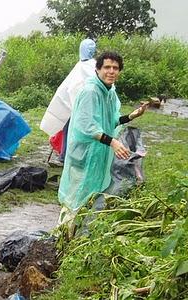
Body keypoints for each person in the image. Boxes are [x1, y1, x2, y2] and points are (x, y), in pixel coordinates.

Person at [57, 51, 147, 220]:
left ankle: (81, 232)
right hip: (85, 152)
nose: (111, 71)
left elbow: (110, 121)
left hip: (99, 151)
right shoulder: (91, 91)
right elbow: (86, 126)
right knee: (76, 194)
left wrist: (131, 116)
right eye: (107, 67)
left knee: (93, 191)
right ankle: (64, 231)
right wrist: (113, 142)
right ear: (98, 69)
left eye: (115, 68)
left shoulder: (109, 91)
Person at [40, 38, 97, 164]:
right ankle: (71, 156)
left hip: (78, 106)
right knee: (73, 130)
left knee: (71, 130)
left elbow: (71, 88)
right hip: (85, 107)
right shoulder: (93, 66)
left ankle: (66, 156)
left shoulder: (85, 66)